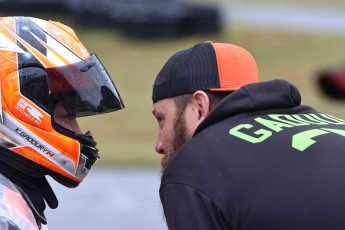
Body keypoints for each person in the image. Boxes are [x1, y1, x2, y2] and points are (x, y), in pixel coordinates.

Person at [151, 41, 345, 230]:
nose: (159, 145)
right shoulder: (333, 123)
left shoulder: (194, 166)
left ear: (199, 107)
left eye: (162, 119)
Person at [0, 16, 124, 229]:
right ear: (22, 106)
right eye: (67, 116)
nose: (77, 131)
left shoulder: (13, 195)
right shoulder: (6, 217)